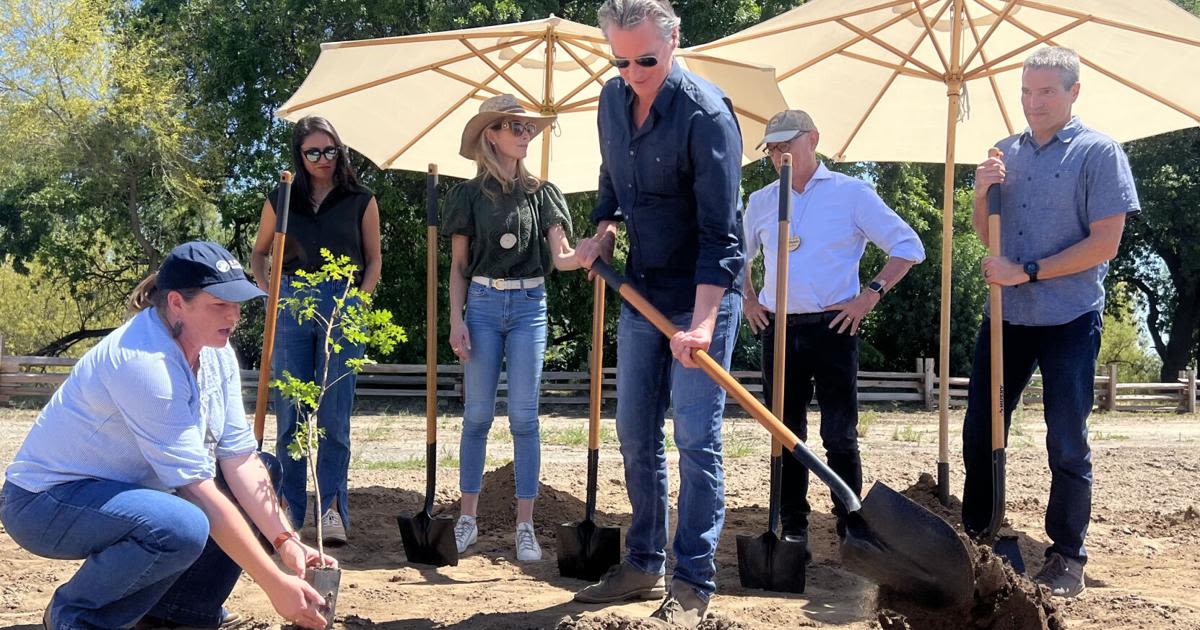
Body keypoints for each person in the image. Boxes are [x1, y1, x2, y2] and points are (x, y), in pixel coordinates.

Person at [1, 241, 333, 630]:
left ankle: (179, 613)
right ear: (177, 303)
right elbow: (197, 490)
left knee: (265, 470)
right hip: (45, 504)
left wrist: (285, 541)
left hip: (127, 492)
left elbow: (240, 457)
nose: (235, 315)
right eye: (219, 304)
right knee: (182, 525)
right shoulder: (144, 362)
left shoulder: (215, 350)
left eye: (238, 303)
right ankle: (77, 614)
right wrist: (275, 584)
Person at [570, 1, 745, 626]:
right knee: (634, 433)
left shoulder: (707, 115)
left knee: (697, 437)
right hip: (640, 290)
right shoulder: (611, 101)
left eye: (645, 59)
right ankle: (643, 562)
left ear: (674, 41)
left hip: (703, 295)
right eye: (620, 59)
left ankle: (693, 579)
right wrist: (602, 235)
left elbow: (722, 236)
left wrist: (700, 323)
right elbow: (612, 186)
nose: (633, 72)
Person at [964, 46, 1139, 598]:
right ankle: (978, 536)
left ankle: (1067, 555)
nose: (1033, 102)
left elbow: (1104, 243)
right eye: (1026, 91)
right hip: (1005, 317)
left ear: (1073, 92)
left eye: (1045, 92)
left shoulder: (1099, 152)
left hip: (1069, 317)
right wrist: (981, 190)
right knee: (980, 430)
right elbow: (983, 234)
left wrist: (1028, 272)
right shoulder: (1004, 153)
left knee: (1066, 440)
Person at [741, 109, 925, 556]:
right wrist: (748, 299)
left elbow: (909, 247)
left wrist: (869, 295)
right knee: (785, 431)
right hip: (778, 325)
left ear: (814, 140)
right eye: (772, 147)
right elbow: (737, 258)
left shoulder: (851, 194)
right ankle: (793, 524)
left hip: (833, 325)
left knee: (839, 433)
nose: (779, 154)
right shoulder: (762, 201)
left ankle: (851, 524)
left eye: (788, 143)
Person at [443, 93, 579, 562]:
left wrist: (593, 247)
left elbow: (562, 259)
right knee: (476, 417)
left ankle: (526, 527)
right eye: (516, 128)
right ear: (492, 135)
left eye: (528, 129)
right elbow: (459, 267)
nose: (525, 135)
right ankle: (467, 520)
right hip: (480, 304)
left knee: (524, 418)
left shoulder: (544, 193)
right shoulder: (466, 195)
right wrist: (456, 320)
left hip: (529, 306)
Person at [251, 115, 382, 546]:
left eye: (330, 150)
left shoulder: (361, 199)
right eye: (313, 152)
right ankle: (287, 507)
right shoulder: (283, 197)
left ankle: (331, 510)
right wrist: (271, 294)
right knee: (290, 413)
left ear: (340, 151)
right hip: (292, 302)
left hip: (344, 301)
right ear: (299, 156)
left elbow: (373, 260)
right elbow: (259, 252)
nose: (323, 159)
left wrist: (357, 301)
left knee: (334, 415)